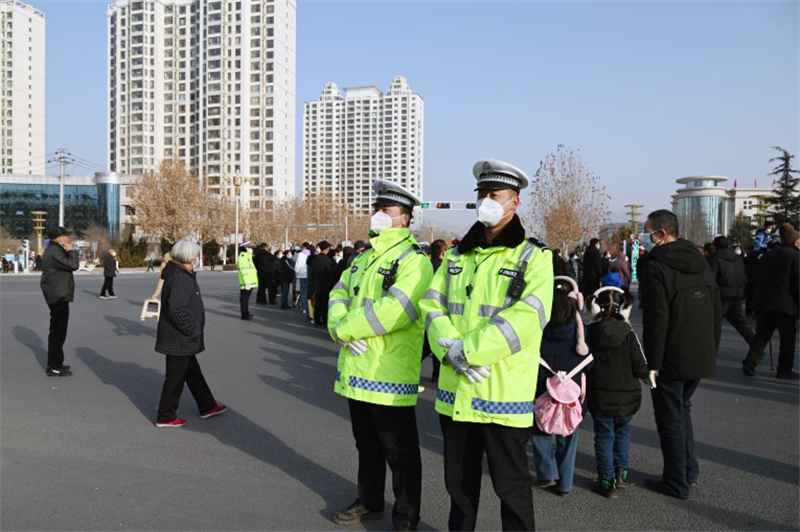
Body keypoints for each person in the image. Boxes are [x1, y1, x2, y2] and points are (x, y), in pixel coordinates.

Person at [420, 159, 553, 531]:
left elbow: (528, 317)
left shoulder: (534, 257)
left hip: (502, 395)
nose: (486, 201)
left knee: (511, 489)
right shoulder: (456, 256)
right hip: (457, 393)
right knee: (459, 487)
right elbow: (432, 305)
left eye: (495, 194)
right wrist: (450, 349)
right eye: (481, 194)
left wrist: (468, 351)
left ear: (515, 202)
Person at [328, 180, 433, 530]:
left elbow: (396, 311)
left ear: (404, 218)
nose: (377, 214)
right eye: (376, 208)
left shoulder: (414, 261)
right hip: (357, 369)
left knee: (400, 454)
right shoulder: (364, 257)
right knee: (366, 446)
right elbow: (338, 293)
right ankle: (369, 500)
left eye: (386, 210)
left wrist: (346, 329)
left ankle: (406, 517)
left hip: (389, 373)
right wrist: (337, 326)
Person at [638, 209, 720, 500]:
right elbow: (716, 309)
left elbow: (657, 320)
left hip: (671, 355)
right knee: (682, 410)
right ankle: (688, 471)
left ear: (661, 234)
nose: (643, 237)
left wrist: (652, 363)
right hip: (701, 352)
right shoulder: (701, 262)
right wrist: (712, 349)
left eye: (647, 232)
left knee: (670, 418)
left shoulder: (655, 267)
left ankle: (675, 481)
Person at [154, 238, 227, 428]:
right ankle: (165, 416)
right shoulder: (180, 278)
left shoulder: (180, 274)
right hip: (179, 337)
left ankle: (207, 405)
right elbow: (176, 309)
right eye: (196, 255)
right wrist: (191, 330)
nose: (198, 258)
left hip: (181, 336)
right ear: (190, 257)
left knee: (193, 373)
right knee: (175, 378)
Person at [531, 276, 590, 497]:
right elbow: (590, 364)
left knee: (540, 430)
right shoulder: (582, 333)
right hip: (572, 393)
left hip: (542, 389)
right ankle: (565, 483)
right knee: (568, 433)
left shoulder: (539, 330)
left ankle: (547, 473)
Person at [586, 287, 648, 498]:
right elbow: (640, 367)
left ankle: (606, 479)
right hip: (628, 396)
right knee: (622, 432)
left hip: (600, 396)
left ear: (595, 309)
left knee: (604, 436)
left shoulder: (590, 332)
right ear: (623, 309)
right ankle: (621, 473)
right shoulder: (628, 333)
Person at [742, 223, 800, 379]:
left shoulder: (768, 255)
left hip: (766, 303)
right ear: (794, 241)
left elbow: (756, 277)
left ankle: (750, 362)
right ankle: (784, 369)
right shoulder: (795, 256)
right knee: (787, 339)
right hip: (786, 305)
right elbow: (797, 283)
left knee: (762, 335)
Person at [40, 226, 80, 377]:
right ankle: (54, 366)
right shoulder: (55, 252)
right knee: (58, 332)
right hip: (58, 295)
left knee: (58, 331)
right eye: (66, 236)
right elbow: (73, 265)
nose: (68, 238)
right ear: (59, 238)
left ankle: (56, 363)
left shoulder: (54, 250)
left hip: (58, 293)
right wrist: (71, 250)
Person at [707, 236, 756, 346]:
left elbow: (710, 279)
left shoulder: (715, 259)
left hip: (721, 296)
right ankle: (756, 346)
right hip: (737, 295)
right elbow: (744, 276)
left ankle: (711, 349)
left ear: (715, 246)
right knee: (741, 324)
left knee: (714, 325)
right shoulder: (737, 259)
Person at [311, 240, 336, 326]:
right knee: (325, 303)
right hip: (326, 285)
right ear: (327, 249)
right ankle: (325, 319)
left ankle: (317, 319)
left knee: (318, 302)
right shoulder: (328, 261)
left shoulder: (315, 260)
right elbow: (330, 274)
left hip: (317, 284)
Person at [237, 246, 258, 320]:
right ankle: (244, 315)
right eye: (248, 248)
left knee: (246, 300)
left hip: (249, 282)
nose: (250, 249)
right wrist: (247, 282)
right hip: (246, 283)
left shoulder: (247, 257)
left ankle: (246, 313)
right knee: (244, 300)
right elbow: (244, 271)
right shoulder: (242, 258)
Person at [294, 242, 311, 316]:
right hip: (309, 274)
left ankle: (304, 307)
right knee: (308, 292)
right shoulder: (310, 253)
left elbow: (298, 264)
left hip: (302, 274)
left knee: (303, 292)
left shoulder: (300, 254)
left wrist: (296, 272)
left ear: (304, 247)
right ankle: (309, 307)